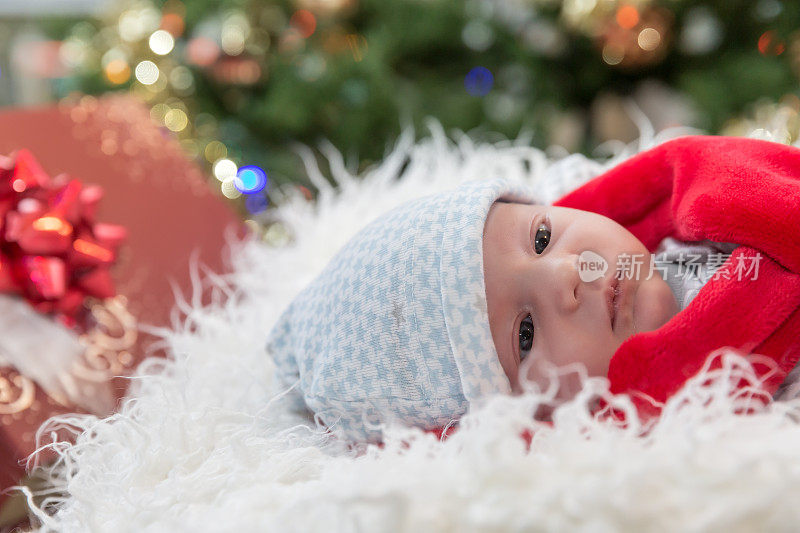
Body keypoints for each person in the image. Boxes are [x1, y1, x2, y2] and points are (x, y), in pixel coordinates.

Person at [265, 135, 800, 442]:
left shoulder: (693, 220)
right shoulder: (694, 429)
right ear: (530, 417)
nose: (565, 276)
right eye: (524, 333)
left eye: (542, 237)